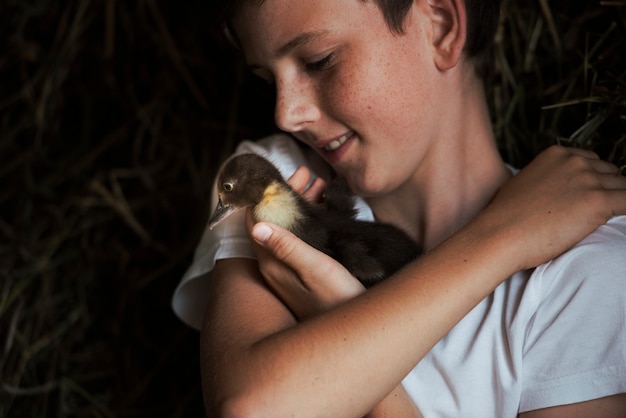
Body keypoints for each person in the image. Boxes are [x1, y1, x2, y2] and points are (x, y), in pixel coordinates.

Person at [172, 0, 626, 416]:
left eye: (318, 60)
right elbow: (250, 408)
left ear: (441, 26)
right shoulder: (272, 178)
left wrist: (331, 310)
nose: (286, 114)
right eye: (268, 80)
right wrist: (503, 238)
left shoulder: (583, 275)